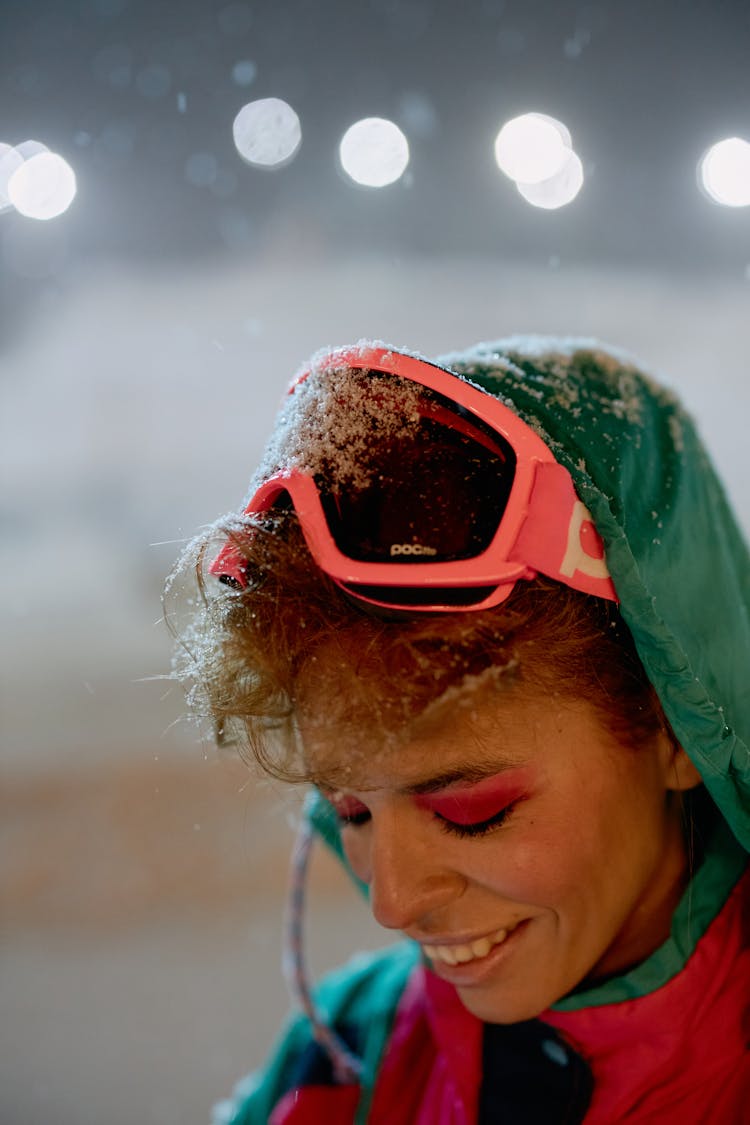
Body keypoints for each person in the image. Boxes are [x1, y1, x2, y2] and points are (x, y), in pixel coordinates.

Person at [170, 338, 750, 1124]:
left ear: (674, 719)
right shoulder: (340, 1058)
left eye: (471, 811)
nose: (394, 901)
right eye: (350, 812)